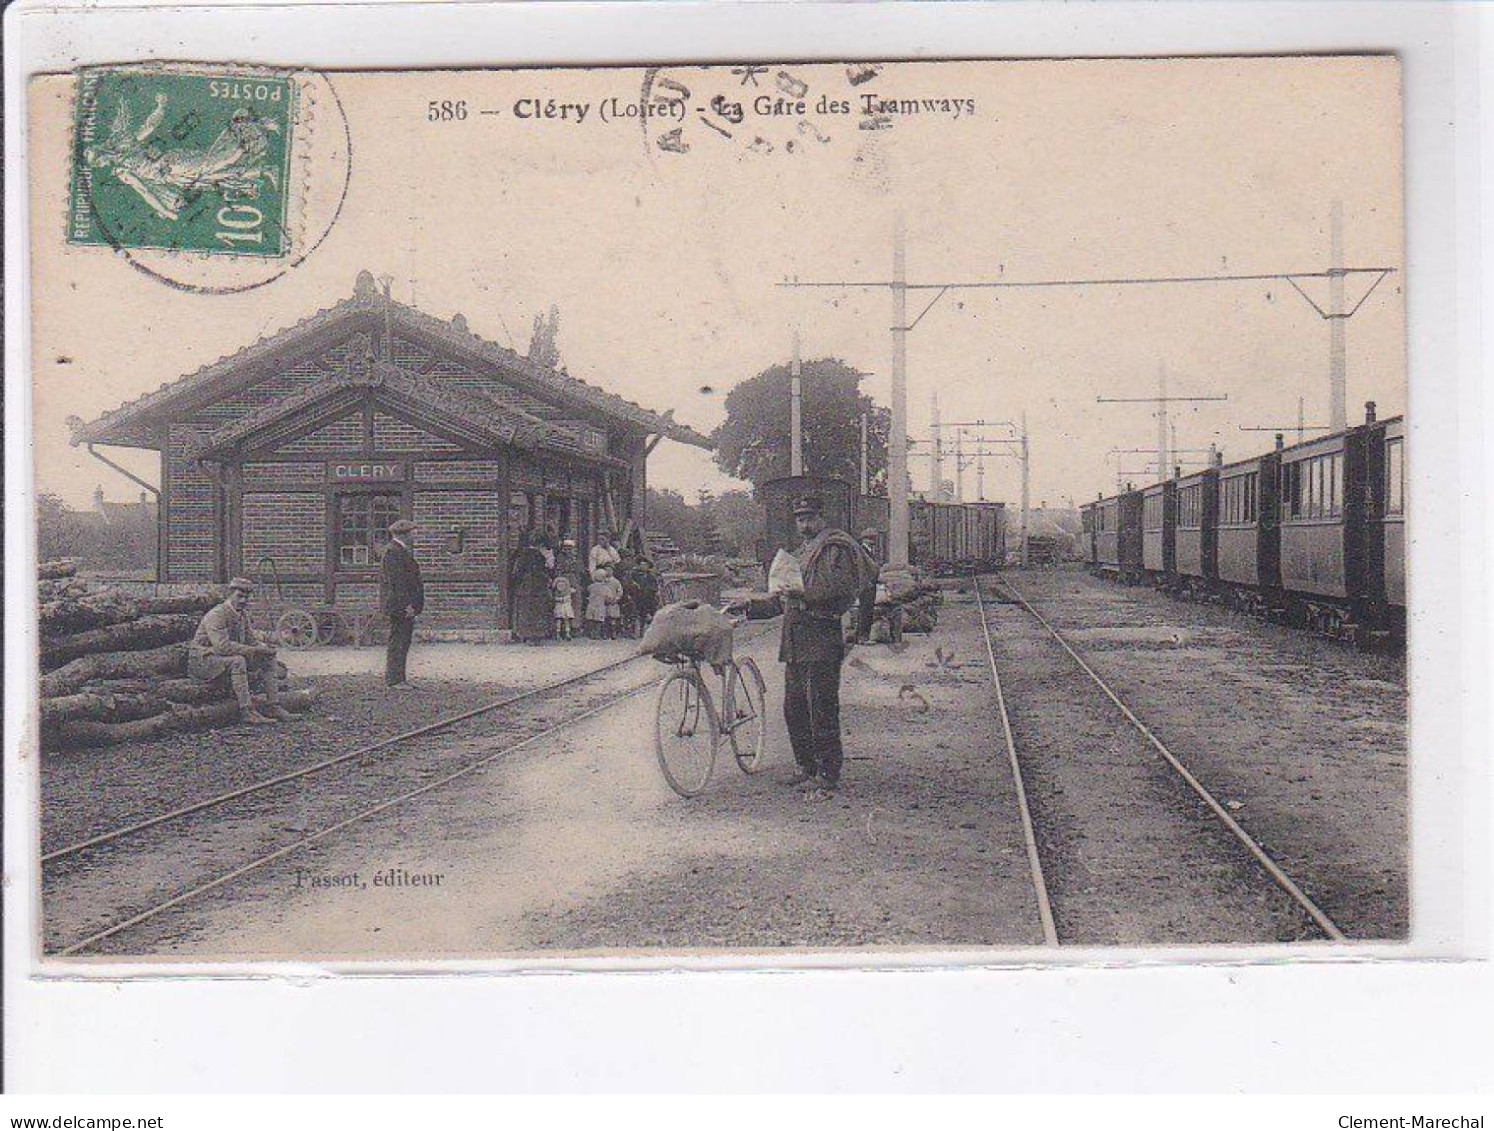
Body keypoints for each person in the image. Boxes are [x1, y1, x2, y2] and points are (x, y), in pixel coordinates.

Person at [736, 495, 873, 799]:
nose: (805, 524)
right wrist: (749, 607)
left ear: (822, 518)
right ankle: (805, 767)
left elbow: (837, 588)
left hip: (822, 635)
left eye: (810, 518)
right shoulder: (800, 552)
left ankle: (827, 773)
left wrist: (801, 594)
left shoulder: (835, 548)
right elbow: (780, 599)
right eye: (800, 519)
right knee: (794, 708)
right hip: (796, 640)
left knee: (821, 707)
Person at [188, 577, 288, 724]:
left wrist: (264, 649)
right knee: (238, 661)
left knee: (269, 659)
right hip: (203, 662)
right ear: (230, 594)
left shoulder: (243, 615)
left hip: (220, 660)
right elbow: (222, 647)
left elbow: (251, 640)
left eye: (246, 597)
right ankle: (246, 711)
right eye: (239, 596)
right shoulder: (217, 615)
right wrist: (254, 650)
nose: (243, 601)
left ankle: (273, 705)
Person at [380, 518, 424, 687]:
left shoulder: (400, 550)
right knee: (398, 641)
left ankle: (399, 678)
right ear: (404, 534)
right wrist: (407, 605)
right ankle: (394, 679)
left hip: (404, 605)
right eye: (412, 532)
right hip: (400, 606)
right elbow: (397, 582)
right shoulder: (393, 552)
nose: (415, 535)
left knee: (403, 641)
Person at [509, 532, 554, 644]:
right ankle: (537, 635)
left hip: (525, 585)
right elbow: (546, 570)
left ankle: (525, 634)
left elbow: (516, 572)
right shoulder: (540, 556)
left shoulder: (522, 555)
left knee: (525, 609)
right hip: (538, 585)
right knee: (538, 610)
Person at [855, 528, 882, 644]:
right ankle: (862, 637)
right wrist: (867, 581)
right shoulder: (862, 551)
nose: (873, 541)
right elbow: (861, 569)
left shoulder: (868, 551)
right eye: (872, 539)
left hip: (870, 584)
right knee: (865, 610)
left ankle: (863, 635)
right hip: (867, 584)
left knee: (868, 609)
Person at [631, 556, 661, 634]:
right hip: (639, 598)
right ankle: (640, 629)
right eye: (642, 565)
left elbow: (655, 587)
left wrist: (653, 591)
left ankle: (653, 630)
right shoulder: (635, 575)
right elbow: (631, 584)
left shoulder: (651, 577)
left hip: (650, 598)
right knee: (641, 614)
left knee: (653, 613)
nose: (643, 567)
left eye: (645, 565)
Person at [585, 566, 615, 639]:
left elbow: (587, 591)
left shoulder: (591, 586)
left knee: (591, 620)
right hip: (600, 606)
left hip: (591, 605)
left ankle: (592, 634)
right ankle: (597, 634)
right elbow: (610, 597)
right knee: (598, 621)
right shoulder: (605, 588)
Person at [551, 573, 576, 640]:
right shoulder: (565, 593)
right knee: (562, 621)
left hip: (562, 607)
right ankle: (561, 633)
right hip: (564, 607)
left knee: (563, 621)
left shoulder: (560, 594)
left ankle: (564, 633)